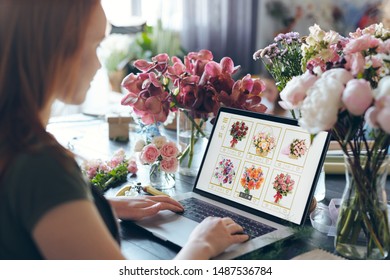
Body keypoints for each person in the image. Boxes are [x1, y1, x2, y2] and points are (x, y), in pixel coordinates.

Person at [0, 0, 248, 260]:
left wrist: (100, 207)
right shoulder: (41, 167)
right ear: (52, 47)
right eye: (94, 45)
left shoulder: (14, 141)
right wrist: (202, 243)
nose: (98, 65)